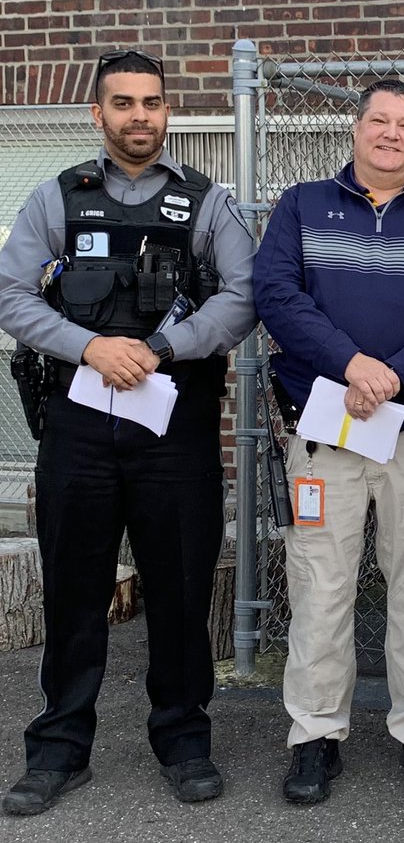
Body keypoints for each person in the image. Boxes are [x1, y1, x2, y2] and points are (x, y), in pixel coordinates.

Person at [0, 50, 256, 815]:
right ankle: (58, 749)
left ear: (166, 111)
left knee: (178, 589)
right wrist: (89, 346)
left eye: (151, 103)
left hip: (171, 422)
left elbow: (245, 296)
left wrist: (162, 347)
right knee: (74, 592)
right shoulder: (58, 199)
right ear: (98, 113)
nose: (139, 116)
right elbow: (11, 294)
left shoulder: (207, 204)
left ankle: (183, 740)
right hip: (77, 422)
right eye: (123, 103)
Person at [254, 79, 404, 804]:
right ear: (355, 131)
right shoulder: (301, 206)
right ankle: (315, 734)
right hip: (324, 428)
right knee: (320, 585)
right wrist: (351, 366)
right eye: (378, 121)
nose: (391, 134)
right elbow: (278, 296)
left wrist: (391, 377)